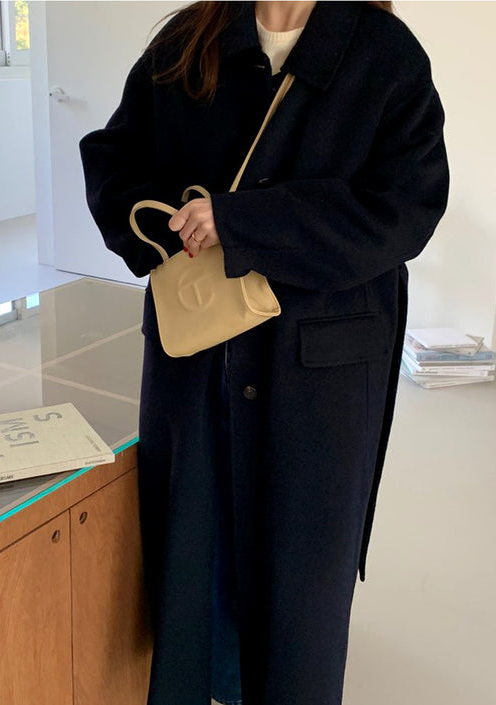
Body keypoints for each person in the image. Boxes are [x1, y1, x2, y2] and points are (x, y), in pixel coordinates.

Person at [79, 2, 450, 704]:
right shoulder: (188, 39)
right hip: (197, 352)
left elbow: (405, 209)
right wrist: (159, 230)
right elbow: (112, 157)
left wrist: (242, 222)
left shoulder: (384, 52)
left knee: (301, 565)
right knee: (194, 546)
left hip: (320, 364)